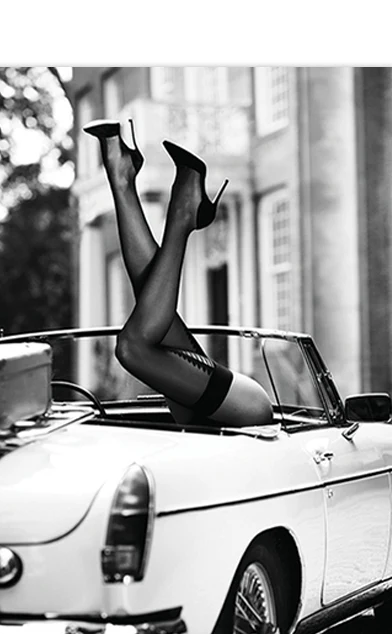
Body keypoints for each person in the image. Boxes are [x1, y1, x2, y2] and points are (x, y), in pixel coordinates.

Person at [84, 119, 273, 428]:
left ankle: (134, 183)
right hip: (237, 409)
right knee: (141, 327)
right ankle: (175, 204)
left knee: (138, 331)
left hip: (230, 411)